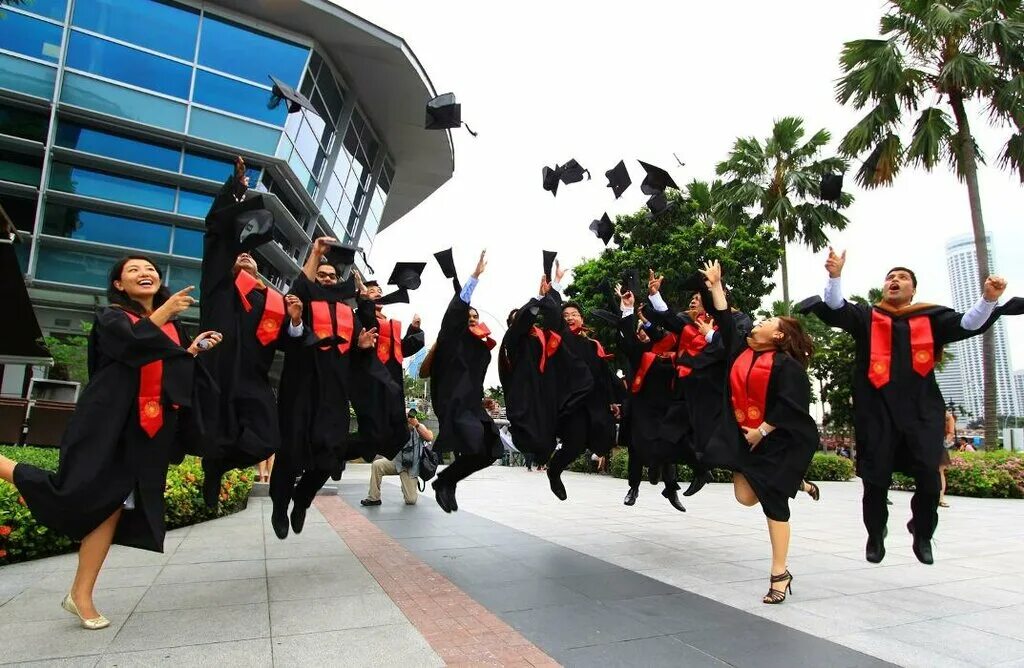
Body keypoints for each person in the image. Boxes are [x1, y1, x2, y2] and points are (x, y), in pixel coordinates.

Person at [0, 256, 221, 629]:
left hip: (145, 431)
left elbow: (171, 371)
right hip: (106, 426)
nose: (144, 273)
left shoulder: (173, 326)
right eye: (133, 270)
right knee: (75, 493)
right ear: (119, 285)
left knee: (110, 507)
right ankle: (6, 467)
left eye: (150, 269)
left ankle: (80, 594)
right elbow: (131, 348)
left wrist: (192, 350)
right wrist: (164, 313)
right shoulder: (113, 318)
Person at [799, 248, 1021, 565]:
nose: (895, 280)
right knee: (875, 483)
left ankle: (922, 532)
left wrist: (988, 299)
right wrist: (835, 276)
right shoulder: (868, 317)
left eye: (902, 277)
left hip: (921, 412)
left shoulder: (930, 317)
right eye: (890, 277)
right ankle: (876, 535)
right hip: (877, 412)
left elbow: (967, 324)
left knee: (930, 482)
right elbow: (837, 308)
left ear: (913, 289)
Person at [700, 260, 820, 604]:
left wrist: (763, 431)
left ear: (778, 335)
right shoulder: (740, 349)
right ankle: (795, 480)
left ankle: (779, 574)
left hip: (779, 443)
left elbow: (790, 406)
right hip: (744, 441)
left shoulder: (787, 366)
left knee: (773, 504)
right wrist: (716, 285)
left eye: (768, 321)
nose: (760, 323)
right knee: (744, 497)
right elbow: (724, 318)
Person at [198, 156, 306, 507]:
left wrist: (293, 321)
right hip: (217, 372)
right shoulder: (218, 288)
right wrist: (235, 192)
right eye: (238, 256)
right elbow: (215, 239)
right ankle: (213, 467)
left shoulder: (269, 300)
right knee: (217, 433)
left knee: (266, 439)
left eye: (249, 258)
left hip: (252, 378)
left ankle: (220, 465)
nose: (243, 260)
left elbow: (287, 344)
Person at [271, 237, 378, 539]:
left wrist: (362, 345)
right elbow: (296, 305)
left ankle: (302, 501)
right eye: (322, 275)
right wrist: (316, 254)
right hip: (301, 390)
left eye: (333, 276)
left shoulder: (348, 313)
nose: (328, 279)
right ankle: (279, 507)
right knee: (290, 453)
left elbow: (357, 354)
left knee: (331, 454)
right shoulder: (302, 304)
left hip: (334, 394)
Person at [645, 270, 754, 498]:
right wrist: (655, 295)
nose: (698, 298)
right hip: (687, 387)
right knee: (665, 436)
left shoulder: (739, 319)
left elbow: (732, 347)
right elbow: (670, 320)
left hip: (713, 391)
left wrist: (709, 335)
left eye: (705, 292)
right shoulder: (694, 320)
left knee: (708, 445)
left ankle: (708, 470)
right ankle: (690, 472)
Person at [423, 249, 501, 513]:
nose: (471, 320)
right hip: (454, 404)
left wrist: (483, 398)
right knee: (473, 444)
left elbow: (475, 378)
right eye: (467, 317)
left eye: (475, 317)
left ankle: (446, 480)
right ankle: (445, 481)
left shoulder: (481, 348)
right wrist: (475, 277)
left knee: (491, 451)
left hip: (472, 405)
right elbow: (458, 308)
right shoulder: (451, 337)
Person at [499, 269, 592, 472]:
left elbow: (555, 320)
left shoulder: (538, 337)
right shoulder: (514, 339)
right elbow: (525, 320)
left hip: (543, 393)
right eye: (520, 320)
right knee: (534, 439)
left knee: (550, 441)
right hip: (525, 395)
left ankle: (547, 460)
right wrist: (539, 298)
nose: (529, 323)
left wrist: (554, 289)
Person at [545, 283, 621, 501]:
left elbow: (604, 375)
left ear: (582, 319)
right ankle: (554, 471)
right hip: (573, 402)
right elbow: (554, 318)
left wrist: (613, 401)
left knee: (604, 441)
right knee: (575, 444)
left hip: (595, 402)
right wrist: (554, 287)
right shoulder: (561, 340)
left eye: (574, 314)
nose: (570, 317)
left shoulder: (593, 344)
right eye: (566, 315)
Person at [618, 293, 688, 512]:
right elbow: (628, 341)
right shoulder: (641, 352)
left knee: (668, 445)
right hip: (642, 407)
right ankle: (634, 488)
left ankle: (671, 489)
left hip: (667, 406)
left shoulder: (674, 348)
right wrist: (628, 310)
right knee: (637, 448)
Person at [361, 411, 434, 506]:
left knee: (410, 500)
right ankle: (374, 498)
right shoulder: (396, 429)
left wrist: (416, 424)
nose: (408, 420)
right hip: (396, 463)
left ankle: (406, 485)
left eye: (409, 418)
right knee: (377, 465)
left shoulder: (418, 428)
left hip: (410, 468)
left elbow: (429, 437)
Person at [940, 410, 955, 508]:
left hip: (939, 445)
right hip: (926, 445)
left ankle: (941, 498)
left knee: (939, 471)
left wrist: (944, 443)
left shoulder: (947, 416)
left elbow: (951, 433)